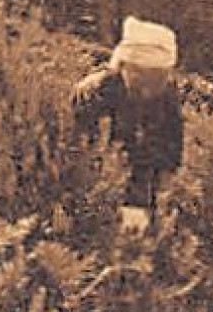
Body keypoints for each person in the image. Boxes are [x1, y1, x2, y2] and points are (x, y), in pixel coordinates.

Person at [71, 17, 185, 234]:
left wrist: (164, 183)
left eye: (157, 77)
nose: (148, 86)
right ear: (125, 67)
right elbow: (83, 143)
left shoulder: (166, 95)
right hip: (102, 178)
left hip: (143, 178)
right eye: (142, 76)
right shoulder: (97, 92)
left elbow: (172, 139)